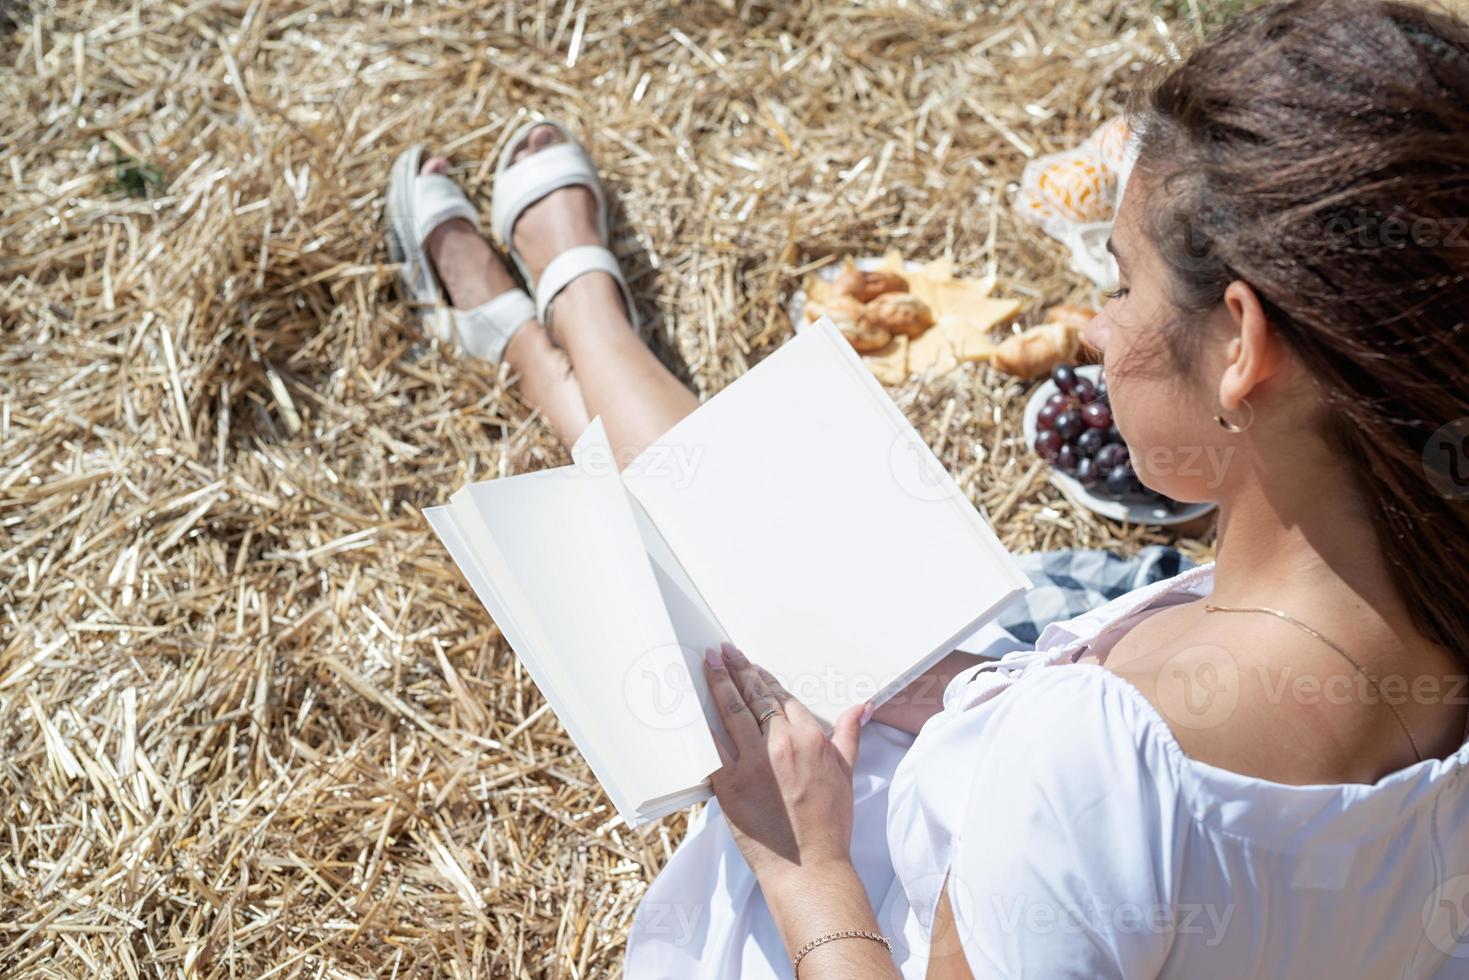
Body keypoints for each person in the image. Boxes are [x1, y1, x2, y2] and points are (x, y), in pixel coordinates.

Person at [389, 0, 1469, 975]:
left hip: (894, 908)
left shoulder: (1092, 768)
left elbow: (1089, 837)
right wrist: (969, 688)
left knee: (715, 572)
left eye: (1120, 276)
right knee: (750, 557)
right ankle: (559, 332)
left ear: (1241, 344)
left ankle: (556, 330)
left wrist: (805, 866)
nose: (1096, 326)